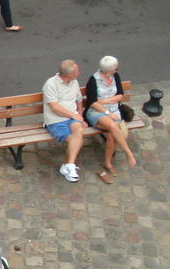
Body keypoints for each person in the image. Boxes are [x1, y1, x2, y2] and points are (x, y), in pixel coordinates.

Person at [84, 55, 137, 183]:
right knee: (113, 126)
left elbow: (119, 96)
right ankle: (128, 153)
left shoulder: (115, 77)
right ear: (108, 71)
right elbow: (93, 103)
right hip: (96, 112)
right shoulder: (93, 80)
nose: (117, 70)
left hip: (114, 110)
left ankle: (108, 163)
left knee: (113, 136)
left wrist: (106, 101)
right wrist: (106, 111)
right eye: (115, 68)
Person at [43, 59, 84, 183]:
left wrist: (80, 117)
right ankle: (68, 166)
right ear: (69, 75)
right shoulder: (51, 84)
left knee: (79, 130)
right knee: (73, 138)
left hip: (72, 118)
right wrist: (74, 115)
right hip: (56, 121)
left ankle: (68, 166)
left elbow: (79, 100)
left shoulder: (74, 82)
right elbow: (54, 107)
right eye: (77, 71)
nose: (79, 72)